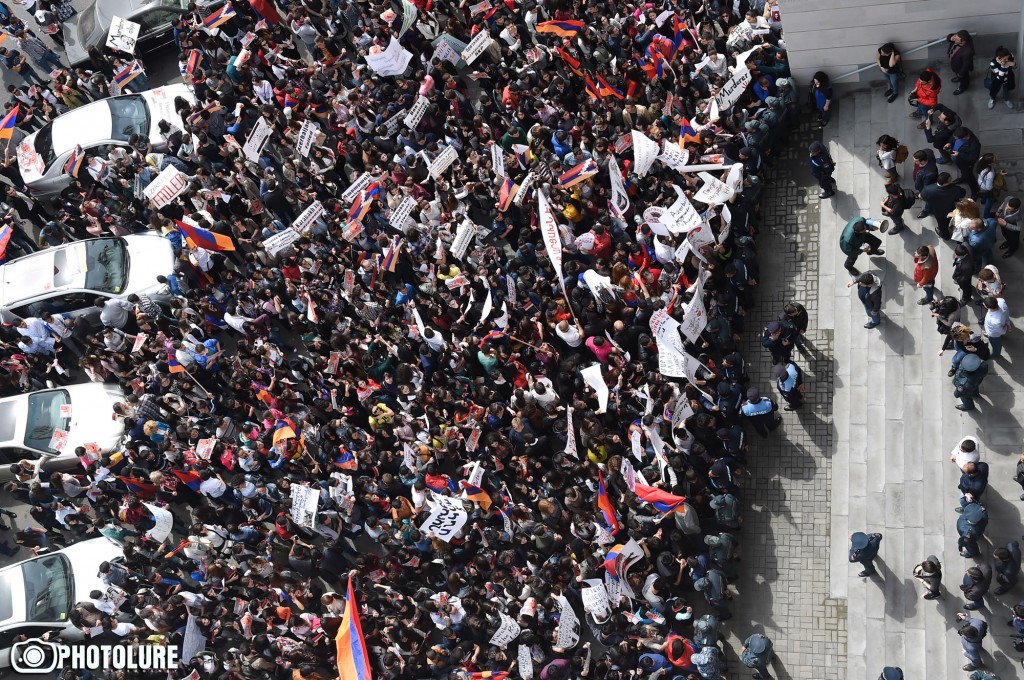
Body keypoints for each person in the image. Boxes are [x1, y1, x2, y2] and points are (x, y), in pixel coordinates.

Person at [921, 173, 966, 238]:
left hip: (938, 211)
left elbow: (922, 196)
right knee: (951, 220)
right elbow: (963, 193)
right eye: (950, 179)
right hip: (951, 210)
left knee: (942, 225)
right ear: (945, 183)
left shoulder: (928, 189)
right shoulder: (955, 189)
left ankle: (945, 236)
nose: (952, 179)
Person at [948, 30, 976, 95]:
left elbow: (966, 65)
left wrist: (960, 74)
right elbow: (949, 36)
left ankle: (963, 87)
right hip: (955, 61)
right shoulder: (961, 36)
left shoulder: (968, 51)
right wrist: (951, 37)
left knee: (964, 78)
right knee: (960, 75)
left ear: (963, 42)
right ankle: (959, 77)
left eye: (957, 39)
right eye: (955, 37)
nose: (954, 40)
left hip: (960, 67)